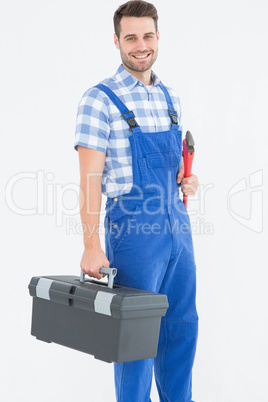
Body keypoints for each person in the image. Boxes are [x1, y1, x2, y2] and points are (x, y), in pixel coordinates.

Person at [74, 1, 199, 401]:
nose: (140, 45)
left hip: (178, 227)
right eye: (131, 37)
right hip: (133, 232)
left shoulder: (170, 97)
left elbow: (175, 168)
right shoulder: (99, 100)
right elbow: (90, 180)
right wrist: (92, 246)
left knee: (181, 328)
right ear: (117, 41)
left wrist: (187, 180)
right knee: (136, 339)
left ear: (158, 37)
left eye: (147, 36)